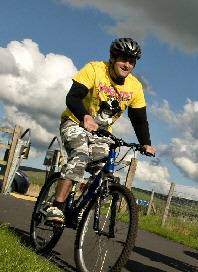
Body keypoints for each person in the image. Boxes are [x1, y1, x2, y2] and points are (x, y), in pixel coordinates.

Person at [45, 37, 156, 223]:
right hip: (74, 121)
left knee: (103, 171)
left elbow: (139, 119)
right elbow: (73, 97)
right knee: (80, 155)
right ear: (113, 58)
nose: (127, 65)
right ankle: (57, 206)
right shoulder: (95, 69)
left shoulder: (135, 87)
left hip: (101, 132)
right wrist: (85, 116)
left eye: (132, 61)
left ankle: (80, 206)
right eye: (123, 59)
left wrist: (146, 143)